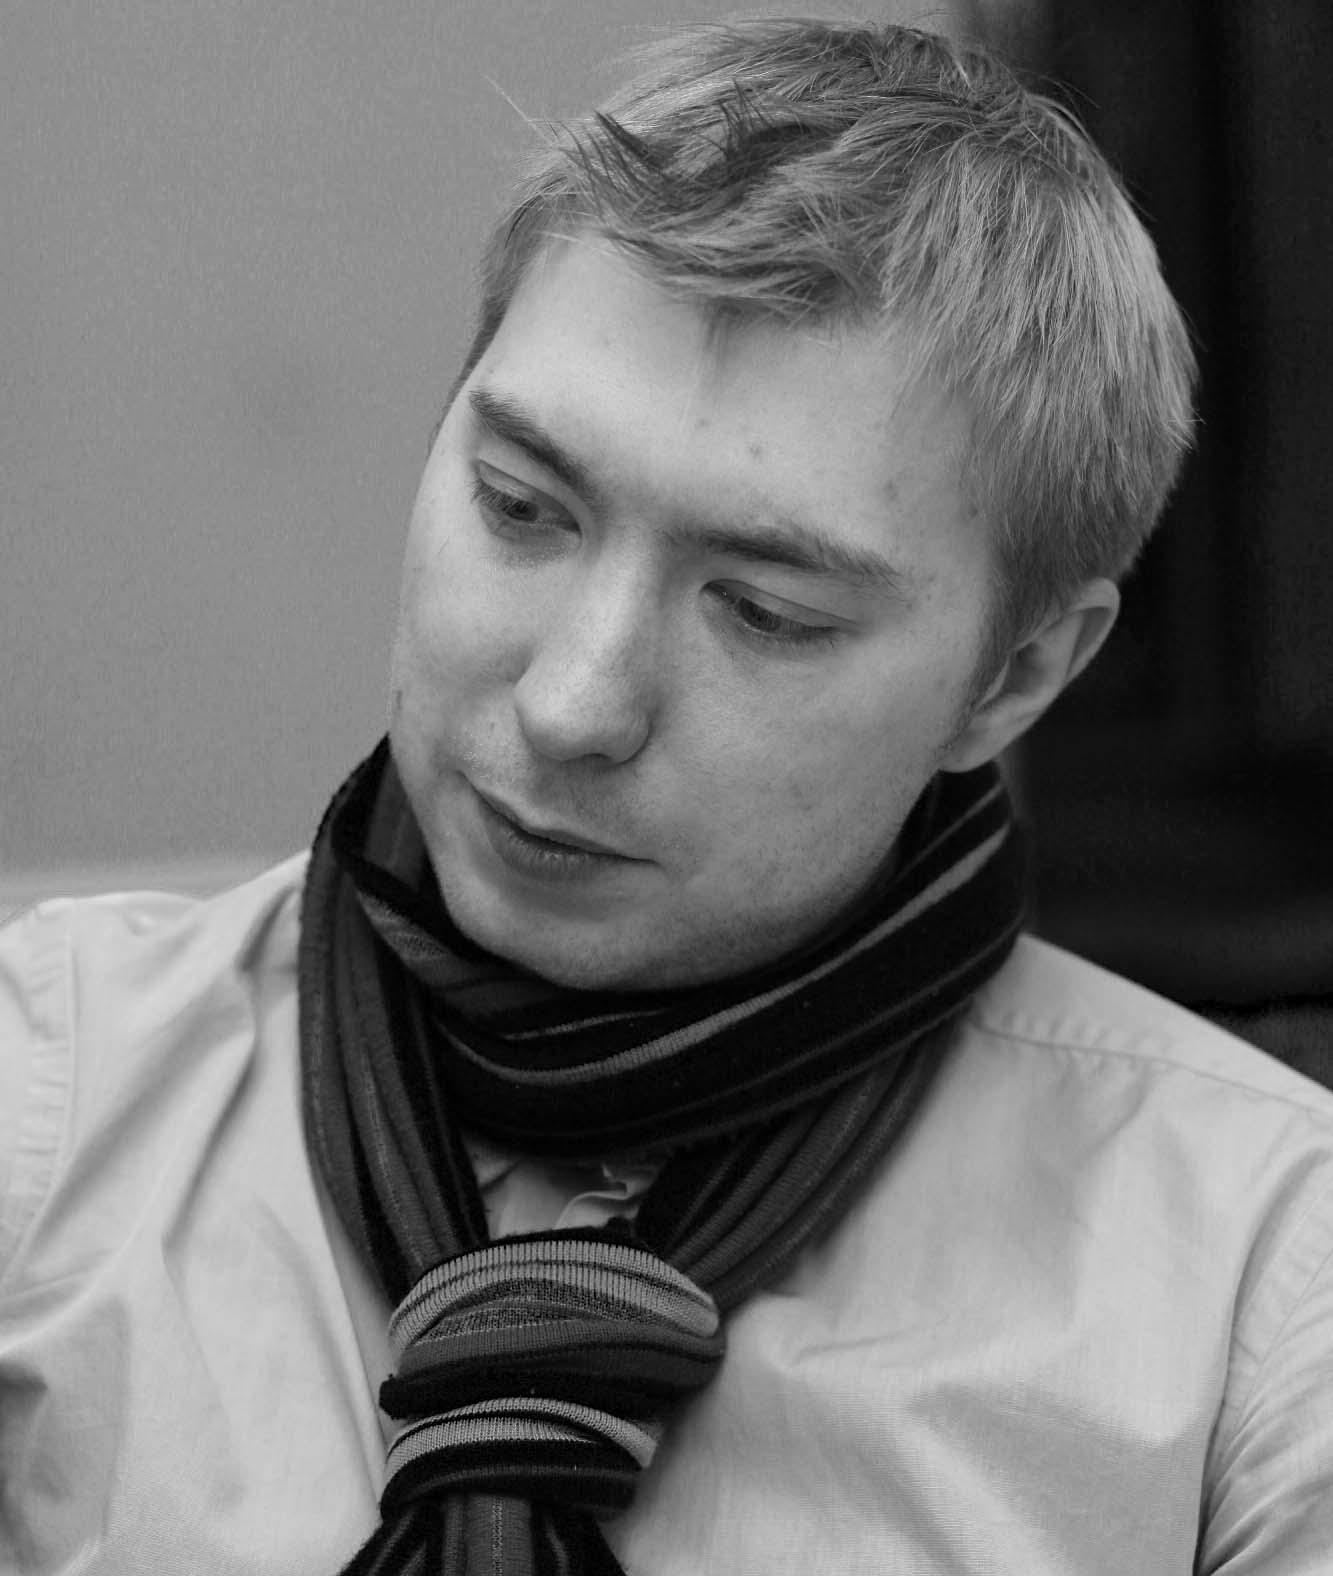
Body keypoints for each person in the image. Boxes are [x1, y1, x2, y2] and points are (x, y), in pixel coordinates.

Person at [1, 18, 1330, 1576]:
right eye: (520, 508)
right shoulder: (46, 1105)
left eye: (762, 611)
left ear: (1015, 675)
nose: (571, 705)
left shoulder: (1264, 1281)